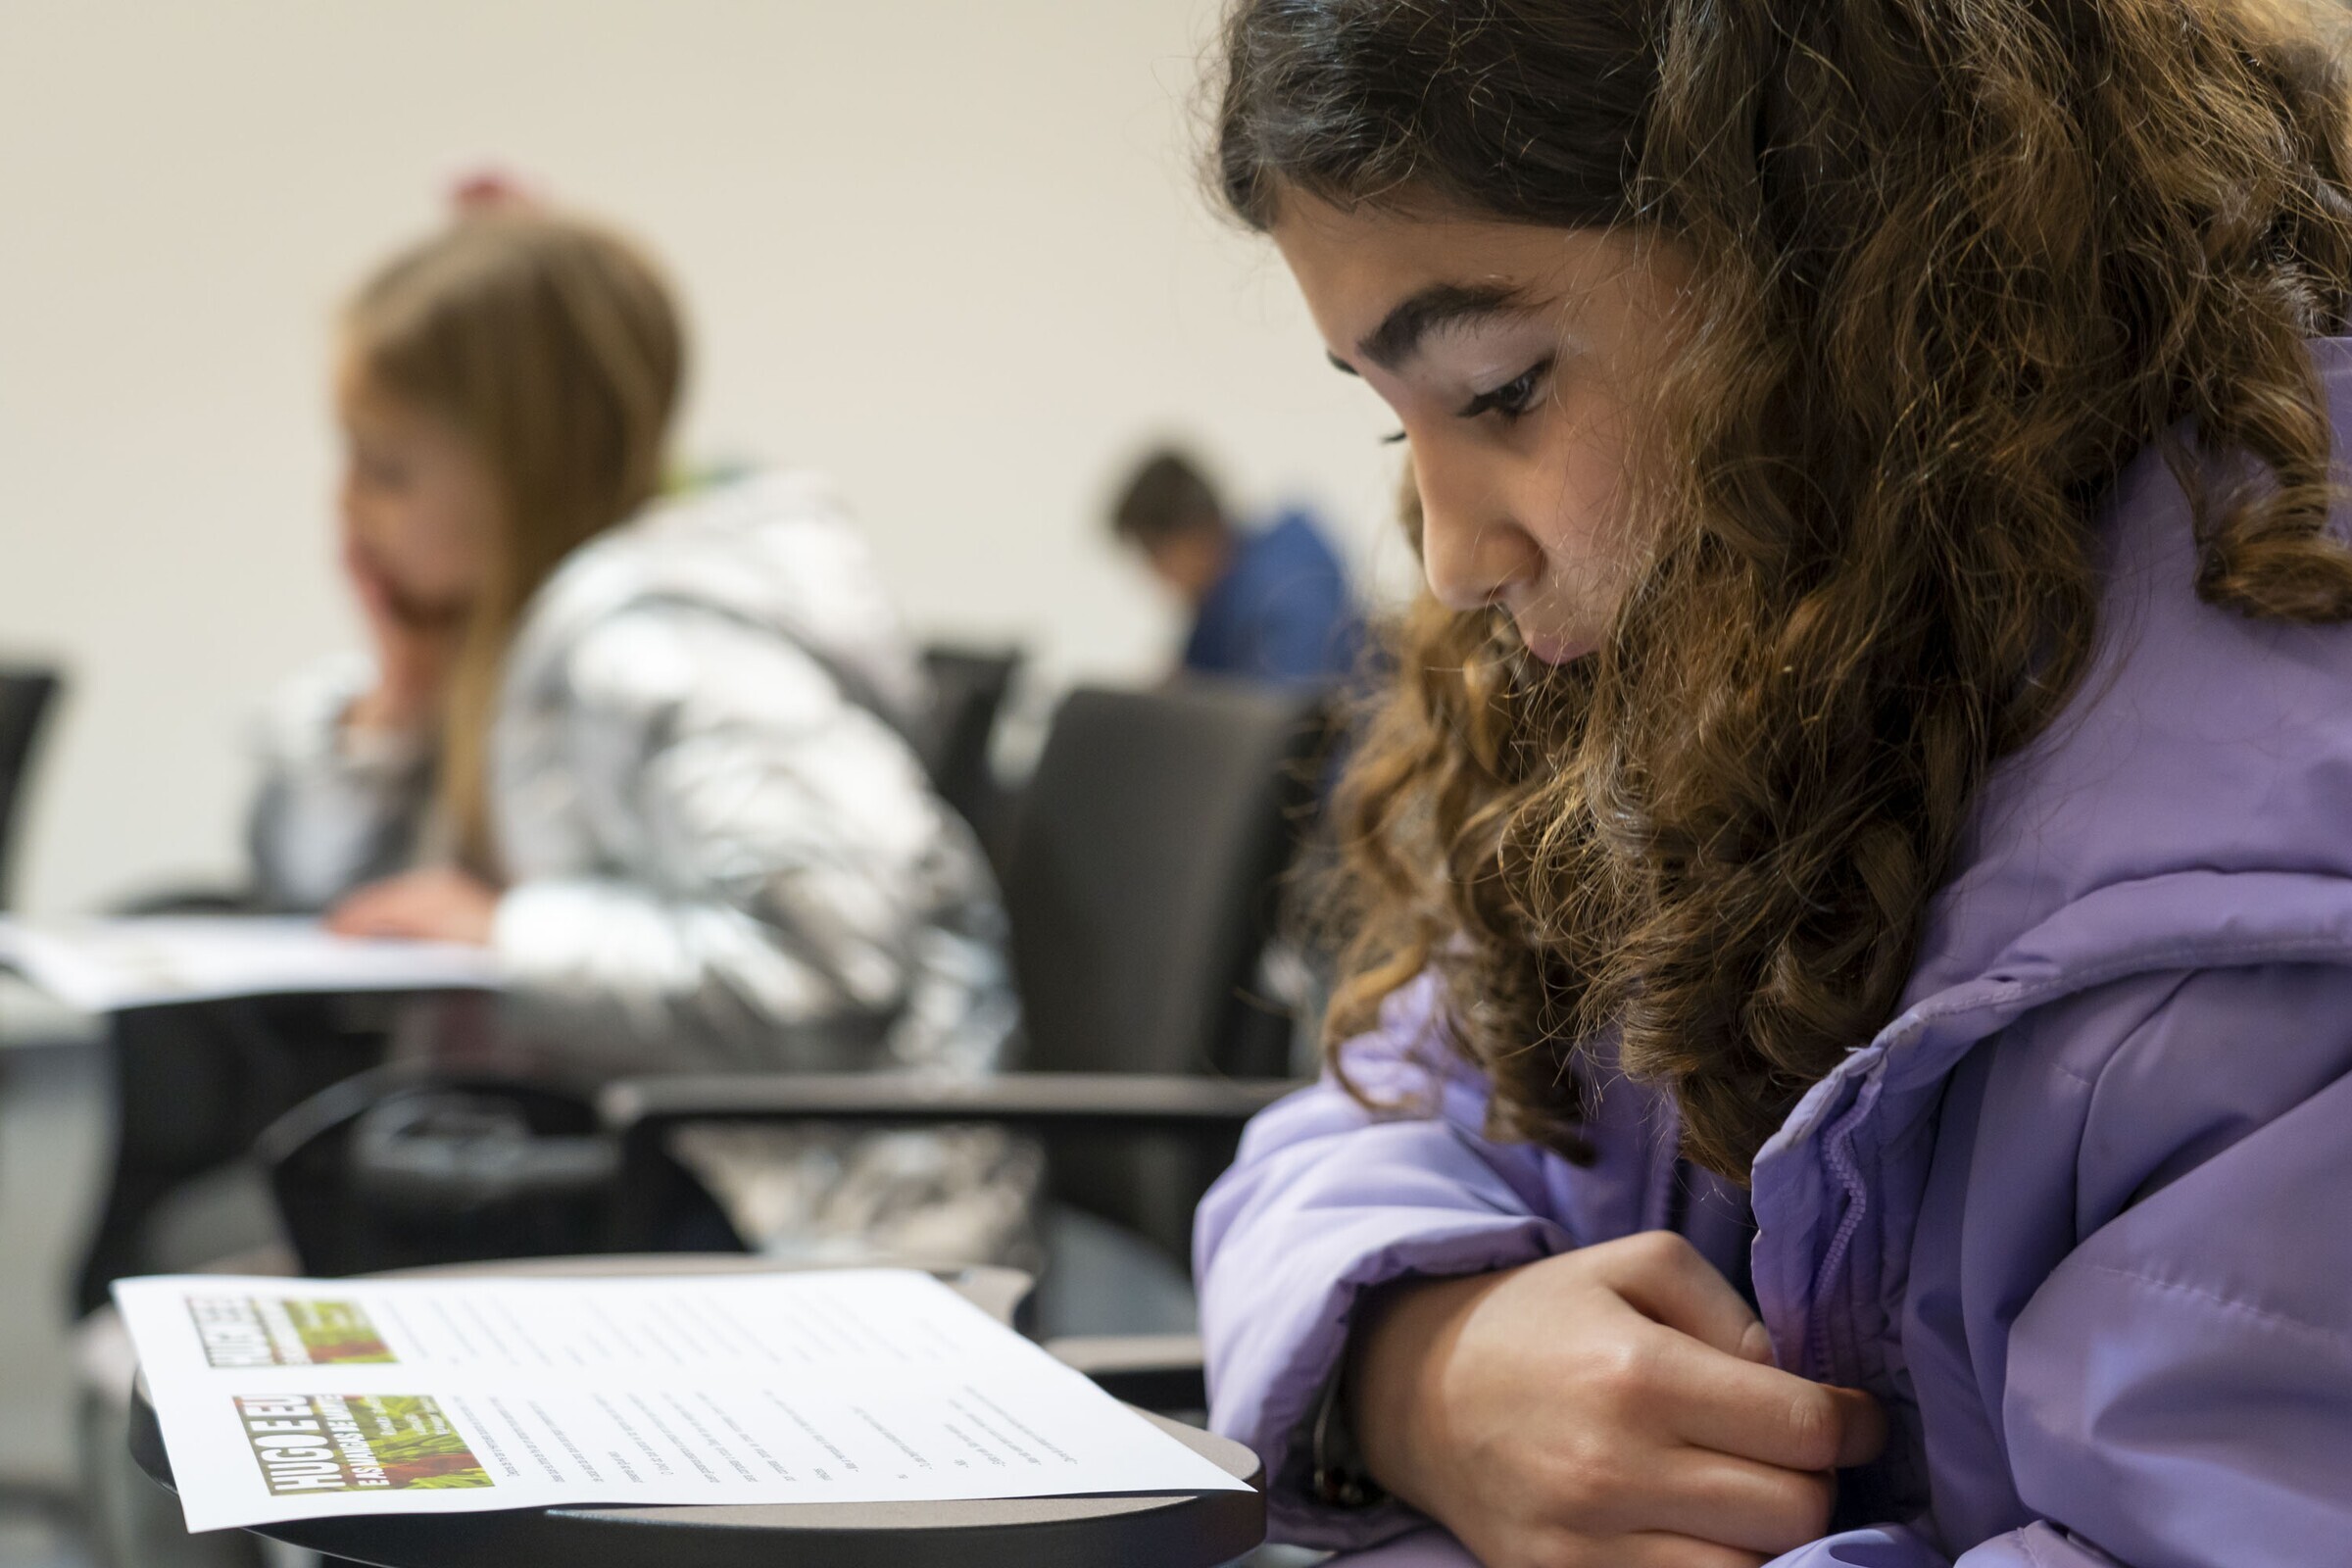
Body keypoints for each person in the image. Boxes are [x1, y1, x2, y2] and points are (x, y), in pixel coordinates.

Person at [1193, 2, 2352, 1566]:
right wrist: (1424, 1367)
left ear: (1841, 247)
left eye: (1501, 389)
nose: (1451, 558)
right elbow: (1376, 1113)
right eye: (1390, 421)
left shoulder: (2274, 900)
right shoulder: (1686, 667)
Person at [255, 202, 1015, 1086]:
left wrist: (507, 936)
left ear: (523, 465)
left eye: (387, 470)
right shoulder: (499, 654)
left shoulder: (668, 650)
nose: (345, 503)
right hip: (601, 1138)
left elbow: (831, 968)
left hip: (787, 1169)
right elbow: (325, 896)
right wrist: (397, 707)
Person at [1109, 445, 1361, 683]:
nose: (1154, 574)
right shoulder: (1225, 607)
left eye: (1155, 555)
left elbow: (1290, 708)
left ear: (1196, 537)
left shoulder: (1284, 601)